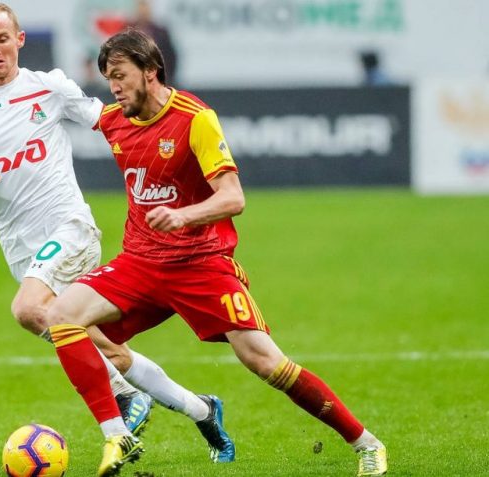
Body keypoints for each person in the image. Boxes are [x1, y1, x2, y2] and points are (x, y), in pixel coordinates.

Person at [45, 28, 389, 477]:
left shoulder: (195, 119)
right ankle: (118, 432)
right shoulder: (114, 120)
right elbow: (58, 108)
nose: (113, 86)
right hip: (141, 262)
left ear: (150, 71)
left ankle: (367, 444)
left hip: (199, 263)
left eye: (120, 75)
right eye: (108, 77)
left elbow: (233, 197)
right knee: (60, 316)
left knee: (265, 362)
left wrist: (183, 216)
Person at [0, 1, 235, 464]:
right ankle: (202, 409)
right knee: (107, 351)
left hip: (70, 228)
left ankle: (122, 411)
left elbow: (113, 120)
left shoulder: (48, 87)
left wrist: (169, 149)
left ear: (19, 40)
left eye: (2, 39)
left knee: (29, 309)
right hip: (20, 248)